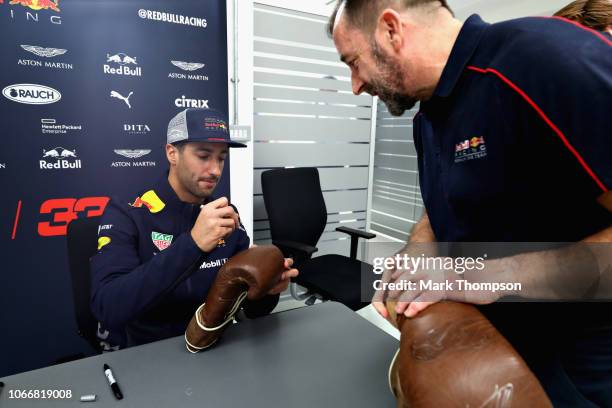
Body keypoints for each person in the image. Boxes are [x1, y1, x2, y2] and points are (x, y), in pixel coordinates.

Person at [328, 0, 611, 405]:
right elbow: (444, 205)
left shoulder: (544, 62)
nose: (355, 84)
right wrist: (417, 256)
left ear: (391, 29)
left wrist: (482, 276)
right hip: (485, 351)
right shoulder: (427, 117)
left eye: (353, 62)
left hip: (578, 369)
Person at [91, 108, 298, 347]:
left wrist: (267, 290)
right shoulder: (127, 213)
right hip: (148, 354)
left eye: (221, 158)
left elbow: (247, 309)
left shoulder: (225, 215)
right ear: (172, 153)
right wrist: (192, 244)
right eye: (203, 156)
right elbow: (108, 308)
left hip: (216, 346)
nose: (216, 170)